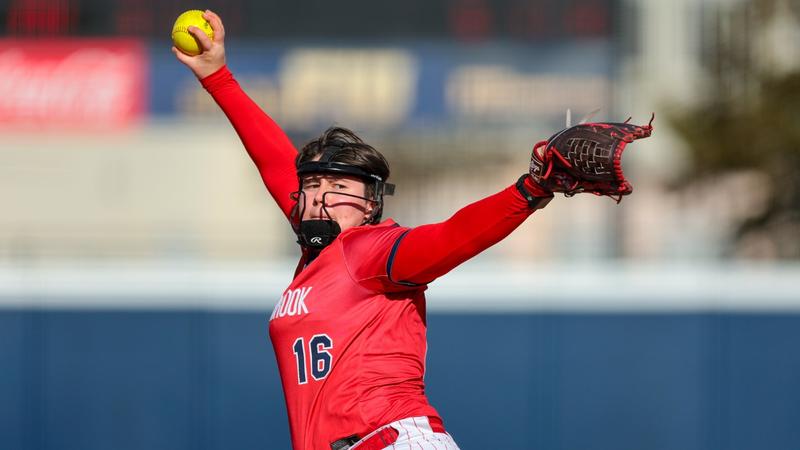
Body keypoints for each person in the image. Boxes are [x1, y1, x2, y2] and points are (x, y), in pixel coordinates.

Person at [173, 11, 554, 450]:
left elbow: (453, 236)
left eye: (339, 186)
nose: (322, 195)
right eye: (314, 185)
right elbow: (276, 162)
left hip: (390, 440)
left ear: (370, 202)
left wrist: (531, 189)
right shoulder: (318, 251)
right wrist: (217, 76)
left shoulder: (369, 249)